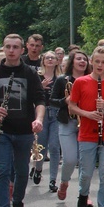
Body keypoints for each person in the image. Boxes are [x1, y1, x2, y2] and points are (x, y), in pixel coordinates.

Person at [0, 34, 45, 207]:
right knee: (2, 170)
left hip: (24, 130)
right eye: (7, 46)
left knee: (22, 170)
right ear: (4, 48)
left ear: (22, 50)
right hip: (0, 131)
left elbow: (40, 100)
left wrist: (39, 119)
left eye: (15, 47)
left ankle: (18, 200)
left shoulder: (30, 73)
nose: (11, 50)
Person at [68, 46, 104, 207]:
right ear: (92, 62)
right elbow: (71, 106)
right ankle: (83, 193)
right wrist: (87, 114)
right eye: (97, 61)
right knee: (86, 173)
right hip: (87, 134)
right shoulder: (80, 82)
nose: (100, 65)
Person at [49, 50, 90, 200]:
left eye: (84, 59)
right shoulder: (62, 80)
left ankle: (84, 193)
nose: (82, 61)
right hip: (67, 122)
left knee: (85, 161)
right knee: (71, 159)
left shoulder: (91, 80)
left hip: (86, 122)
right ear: (72, 61)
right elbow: (51, 101)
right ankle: (64, 182)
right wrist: (64, 101)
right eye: (78, 58)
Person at [31, 51, 62, 190]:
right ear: (43, 61)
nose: (50, 60)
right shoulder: (36, 76)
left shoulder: (61, 78)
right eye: (47, 58)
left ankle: (53, 180)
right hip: (41, 112)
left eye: (53, 58)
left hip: (56, 113)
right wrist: (40, 88)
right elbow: (31, 96)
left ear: (57, 61)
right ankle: (38, 169)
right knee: (40, 146)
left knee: (55, 147)